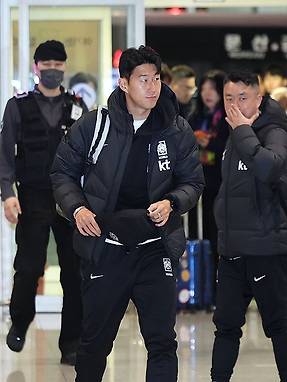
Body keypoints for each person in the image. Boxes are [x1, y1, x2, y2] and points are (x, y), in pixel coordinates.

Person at [50, 45, 204, 382]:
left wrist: (173, 202)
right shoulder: (95, 125)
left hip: (155, 247)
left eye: (157, 79)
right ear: (124, 84)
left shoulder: (176, 130)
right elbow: (61, 173)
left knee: (163, 342)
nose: (152, 87)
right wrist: (77, 208)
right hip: (107, 247)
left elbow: (193, 181)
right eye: (143, 80)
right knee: (93, 344)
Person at [0, 40, 86, 365]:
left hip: (70, 200)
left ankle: (73, 344)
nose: (52, 70)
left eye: (58, 64)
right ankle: (20, 321)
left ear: (64, 67)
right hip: (33, 197)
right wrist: (8, 194)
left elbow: (90, 156)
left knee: (74, 273)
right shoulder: (18, 106)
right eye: (46, 64)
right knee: (28, 267)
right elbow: (5, 154)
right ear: (36, 67)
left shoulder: (77, 107)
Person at [211, 70, 287, 382]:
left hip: (266, 248)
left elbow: (270, 167)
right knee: (225, 325)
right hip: (233, 250)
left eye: (243, 98)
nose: (235, 106)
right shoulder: (233, 136)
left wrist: (245, 132)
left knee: (277, 324)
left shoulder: (273, 131)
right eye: (229, 99)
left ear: (258, 99)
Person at [187, 70, 230, 270]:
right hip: (197, 185)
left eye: (212, 88)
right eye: (203, 88)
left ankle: (216, 285)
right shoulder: (195, 116)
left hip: (220, 185)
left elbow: (228, 147)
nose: (207, 93)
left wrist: (209, 143)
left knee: (216, 234)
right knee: (197, 231)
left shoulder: (228, 118)